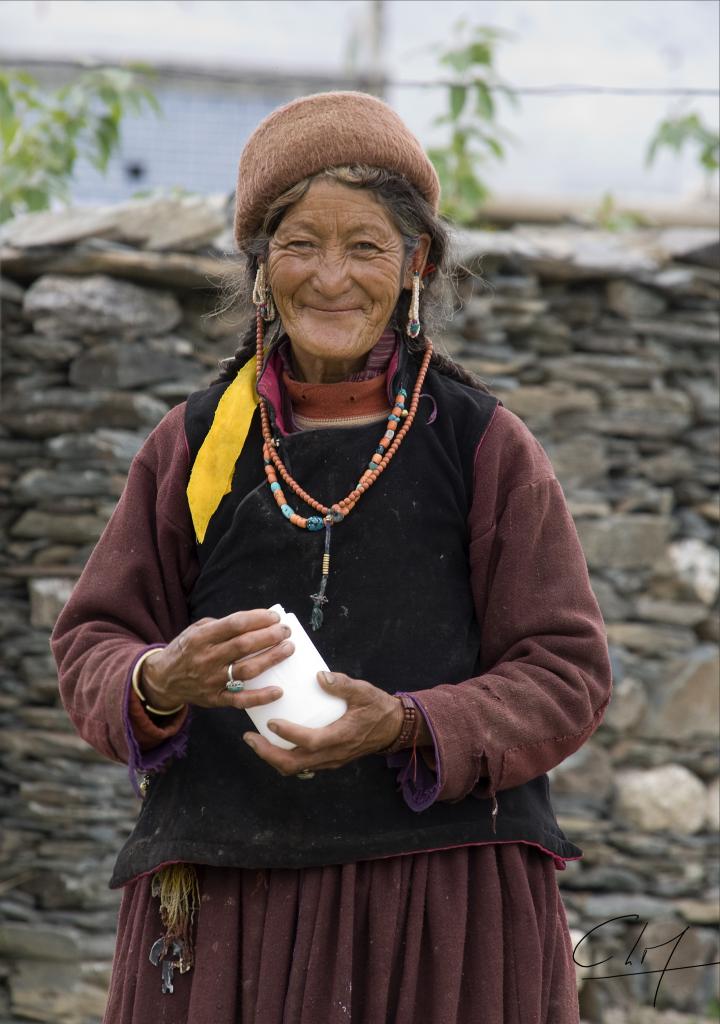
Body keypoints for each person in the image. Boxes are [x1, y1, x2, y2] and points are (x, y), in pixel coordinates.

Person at [51, 91, 612, 1024]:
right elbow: (92, 641)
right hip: (226, 903)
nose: (331, 277)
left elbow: (565, 672)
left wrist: (403, 723)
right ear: (260, 265)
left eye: (365, 245)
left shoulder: (480, 444)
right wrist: (158, 678)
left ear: (416, 262)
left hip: (440, 908)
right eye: (301, 243)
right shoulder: (196, 445)